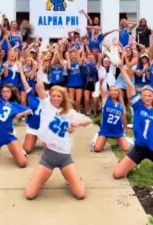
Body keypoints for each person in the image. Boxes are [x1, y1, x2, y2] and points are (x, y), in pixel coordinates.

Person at [25, 62, 92, 200]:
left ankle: (73, 178)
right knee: (30, 194)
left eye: (58, 96)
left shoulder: (69, 112)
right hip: (48, 155)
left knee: (80, 194)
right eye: (53, 95)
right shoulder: (46, 105)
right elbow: (39, 87)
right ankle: (39, 178)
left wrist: (77, 122)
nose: (55, 98)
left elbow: (88, 121)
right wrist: (40, 68)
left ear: (63, 98)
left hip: (64, 156)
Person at [113, 65, 153, 179]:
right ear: (141, 97)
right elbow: (130, 86)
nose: (147, 97)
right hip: (140, 148)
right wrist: (121, 68)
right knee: (117, 174)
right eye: (145, 95)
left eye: (150, 96)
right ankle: (133, 165)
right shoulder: (138, 106)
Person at [93, 85, 130, 152]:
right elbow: (101, 90)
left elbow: (123, 118)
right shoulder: (105, 100)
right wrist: (101, 82)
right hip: (105, 129)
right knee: (97, 149)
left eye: (116, 90)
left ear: (119, 92)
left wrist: (125, 127)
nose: (114, 92)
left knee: (126, 149)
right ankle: (97, 137)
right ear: (109, 92)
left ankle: (123, 141)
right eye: (111, 90)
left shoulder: (121, 105)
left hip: (117, 130)